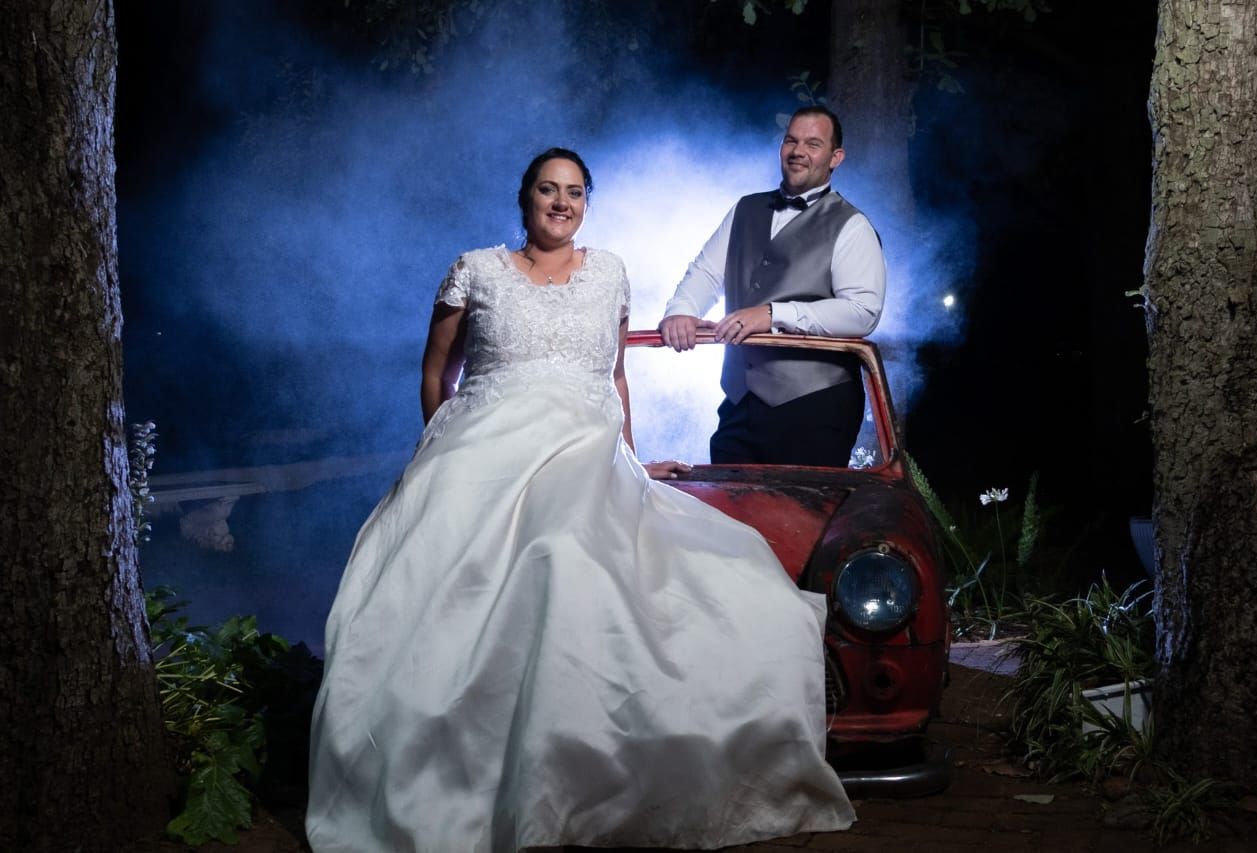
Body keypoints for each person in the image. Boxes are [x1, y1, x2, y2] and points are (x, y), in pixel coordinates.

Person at [305, 147, 855, 851]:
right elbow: (436, 370)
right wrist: (439, 446)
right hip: (483, 447)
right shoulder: (474, 270)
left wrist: (630, 451)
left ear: (586, 202)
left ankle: (580, 776)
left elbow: (615, 377)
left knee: (592, 555)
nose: (560, 202)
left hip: (584, 450)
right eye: (547, 189)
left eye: (574, 192)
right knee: (467, 577)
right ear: (525, 197)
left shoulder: (611, 273)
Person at [659, 105, 887, 467]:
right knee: (725, 516)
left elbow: (863, 313)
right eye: (791, 141)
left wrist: (772, 314)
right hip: (739, 402)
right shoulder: (745, 209)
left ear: (835, 157)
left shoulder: (852, 226)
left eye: (813, 143)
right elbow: (704, 272)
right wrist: (681, 311)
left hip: (816, 406)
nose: (798, 151)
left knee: (803, 519)